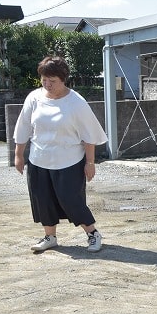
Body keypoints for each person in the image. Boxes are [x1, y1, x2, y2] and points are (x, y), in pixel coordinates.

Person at [13, 56, 108, 252]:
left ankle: (92, 234)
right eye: (44, 79)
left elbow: (89, 135)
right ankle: (50, 236)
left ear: (63, 79)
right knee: (42, 199)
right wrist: (18, 155)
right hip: (39, 159)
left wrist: (90, 163)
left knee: (71, 199)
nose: (47, 84)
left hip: (69, 160)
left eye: (52, 81)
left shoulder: (76, 102)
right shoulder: (34, 98)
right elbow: (23, 127)